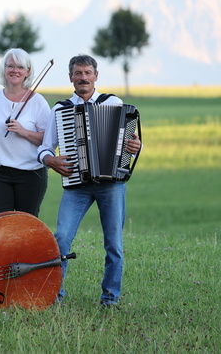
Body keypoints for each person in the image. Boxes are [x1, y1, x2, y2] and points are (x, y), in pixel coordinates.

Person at [37, 54, 142, 307]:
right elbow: (44, 149)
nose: (83, 77)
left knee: (114, 243)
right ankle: (54, 296)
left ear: (96, 76)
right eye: (78, 73)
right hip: (77, 185)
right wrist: (50, 160)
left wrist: (135, 145)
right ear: (71, 77)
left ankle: (110, 299)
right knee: (61, 237)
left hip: (111, 183)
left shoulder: (113, 102)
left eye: (87, 73)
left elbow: (130, 143)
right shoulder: (60, 110)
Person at [0, 48, 51, 216]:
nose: (15, 70)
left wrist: (24, 132)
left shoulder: (38, 102)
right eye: (10, 66)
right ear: (4, 69)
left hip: (31, 174)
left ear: (28, 71)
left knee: (26, 225)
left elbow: (48, 140)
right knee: (1, 226)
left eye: (20, 67)